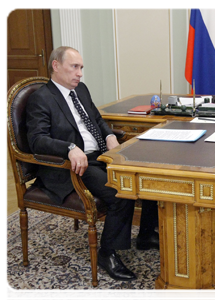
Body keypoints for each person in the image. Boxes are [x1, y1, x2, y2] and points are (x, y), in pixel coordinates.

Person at [26, 46, 158, 281]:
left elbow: (96, 118)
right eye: (74, 67)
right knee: (120, 193)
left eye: (81, 68)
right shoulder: (41, 98)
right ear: (56, 66)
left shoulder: (81, 90)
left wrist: (108, 136)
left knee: (144, 173)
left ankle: (146, 234)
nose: (79, 73)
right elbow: (37, 140)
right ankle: (107, 253)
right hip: (72, 166)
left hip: (97, 156)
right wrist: (69, 148)